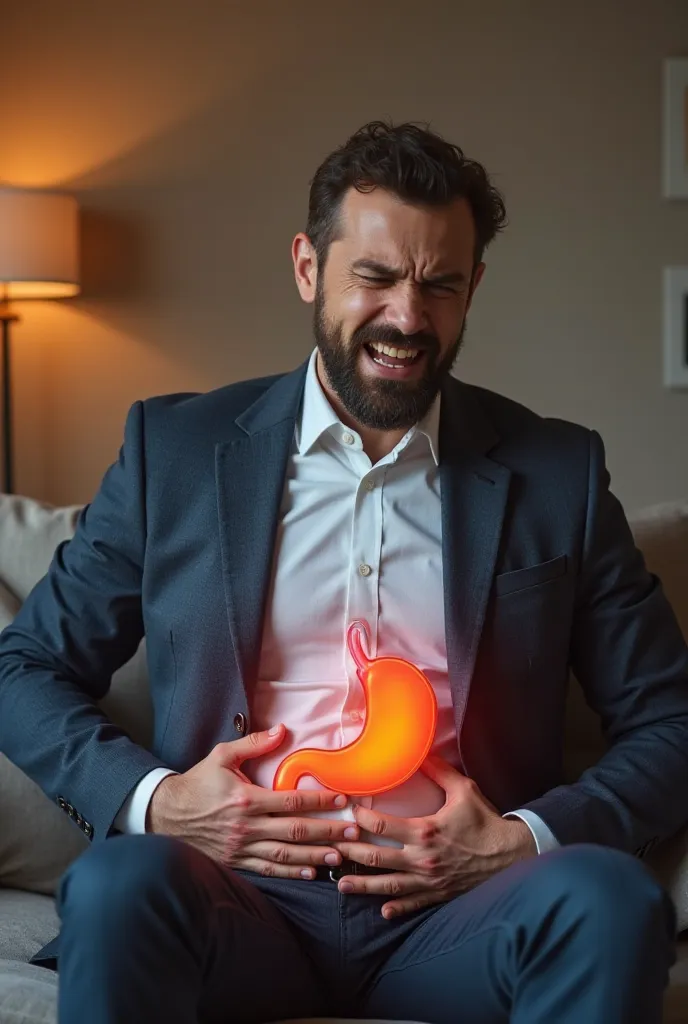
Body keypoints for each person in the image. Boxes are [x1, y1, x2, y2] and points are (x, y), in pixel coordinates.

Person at [0, 120, 686, 1024]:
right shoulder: (173, 450)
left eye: (440, 285)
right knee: (121, 884)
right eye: (375, 277)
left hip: (459, 911)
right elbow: (24, 671)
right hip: (231, 898)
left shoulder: (556, 473)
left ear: (472, 286)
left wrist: (523, 841)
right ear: (307, 268)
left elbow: (670, 718)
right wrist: (159, 803)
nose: (408, 316)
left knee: (611, 901)